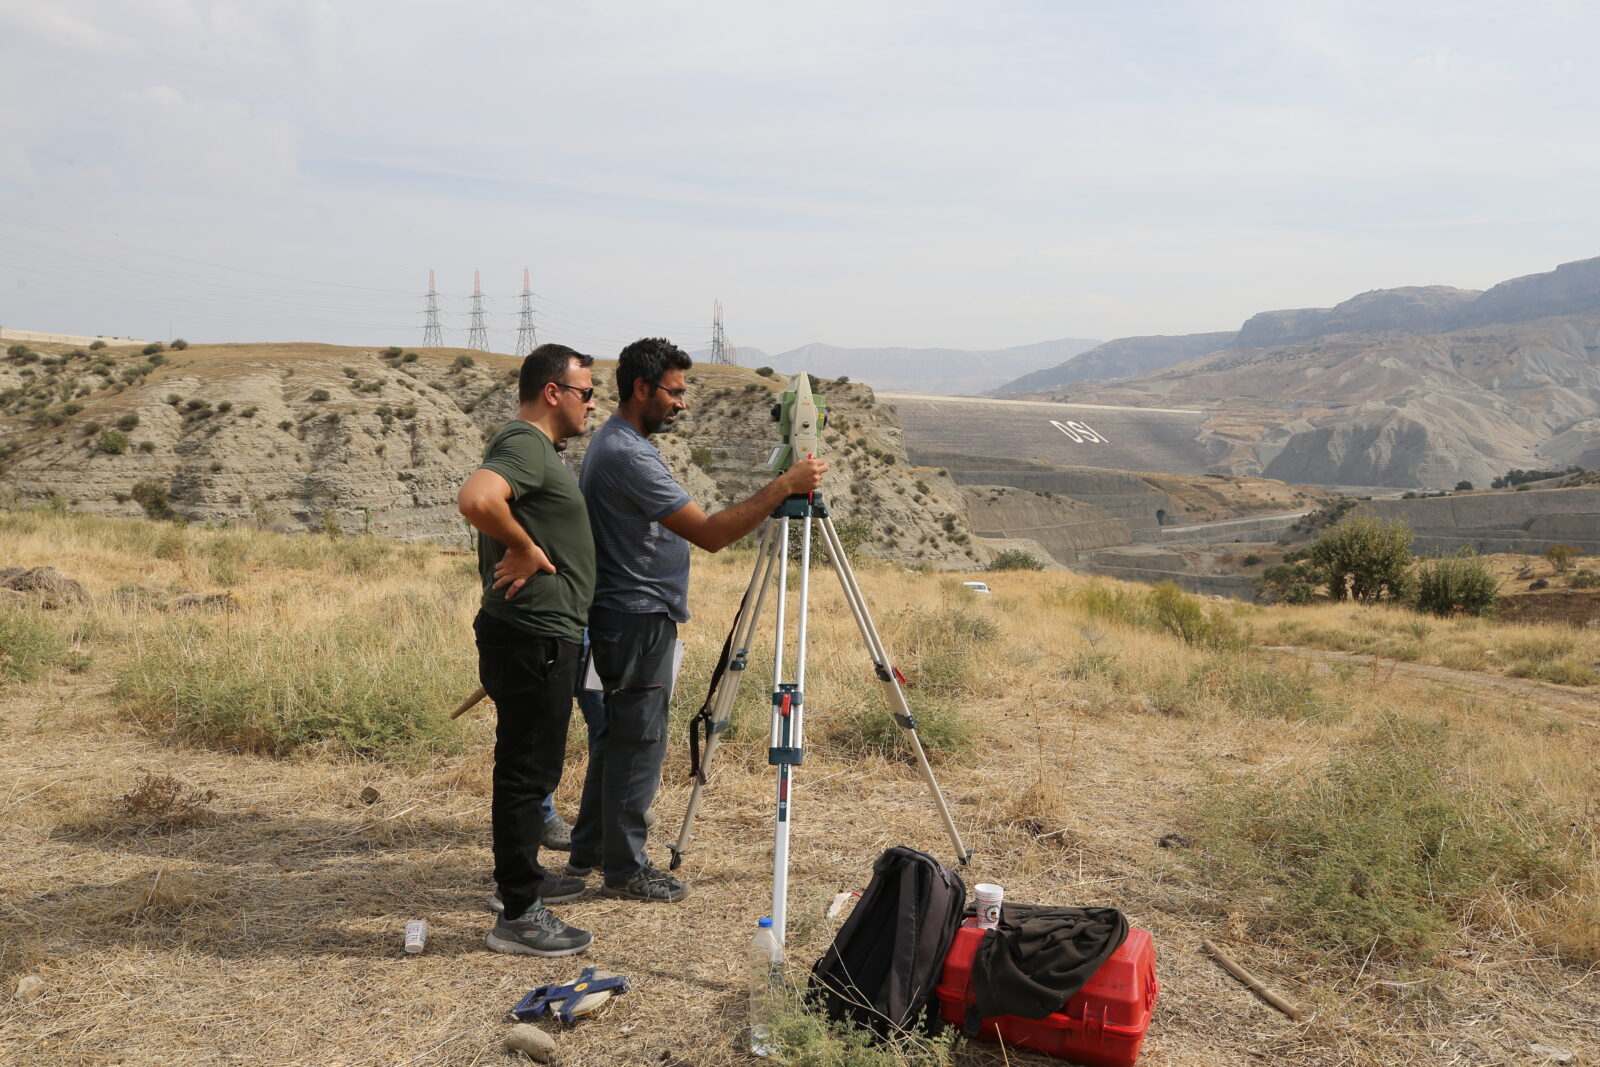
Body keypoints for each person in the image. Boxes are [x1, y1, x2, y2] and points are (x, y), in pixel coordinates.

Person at [569, 337, 827, 902]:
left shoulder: (617, 442)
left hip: (624, 614)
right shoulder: (627, 453)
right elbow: (710, 534)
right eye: (675, 391)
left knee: (617, 739)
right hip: (635, 618)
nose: (682, 404)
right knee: (638, 742)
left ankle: (591, 853)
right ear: (642, 388)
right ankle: (625, 870)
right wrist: (783, 486)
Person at [456, 343, 598, 956]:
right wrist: (522, 547)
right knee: (525, 771)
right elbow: (476, 499)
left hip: (539, 633)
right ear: (553, 392)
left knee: (529, 766)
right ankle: (517, 912)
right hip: (534, 634)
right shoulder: (524, 445)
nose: (592, 403)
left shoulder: (536, 451)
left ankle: (524, 887)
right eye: (586, 391)